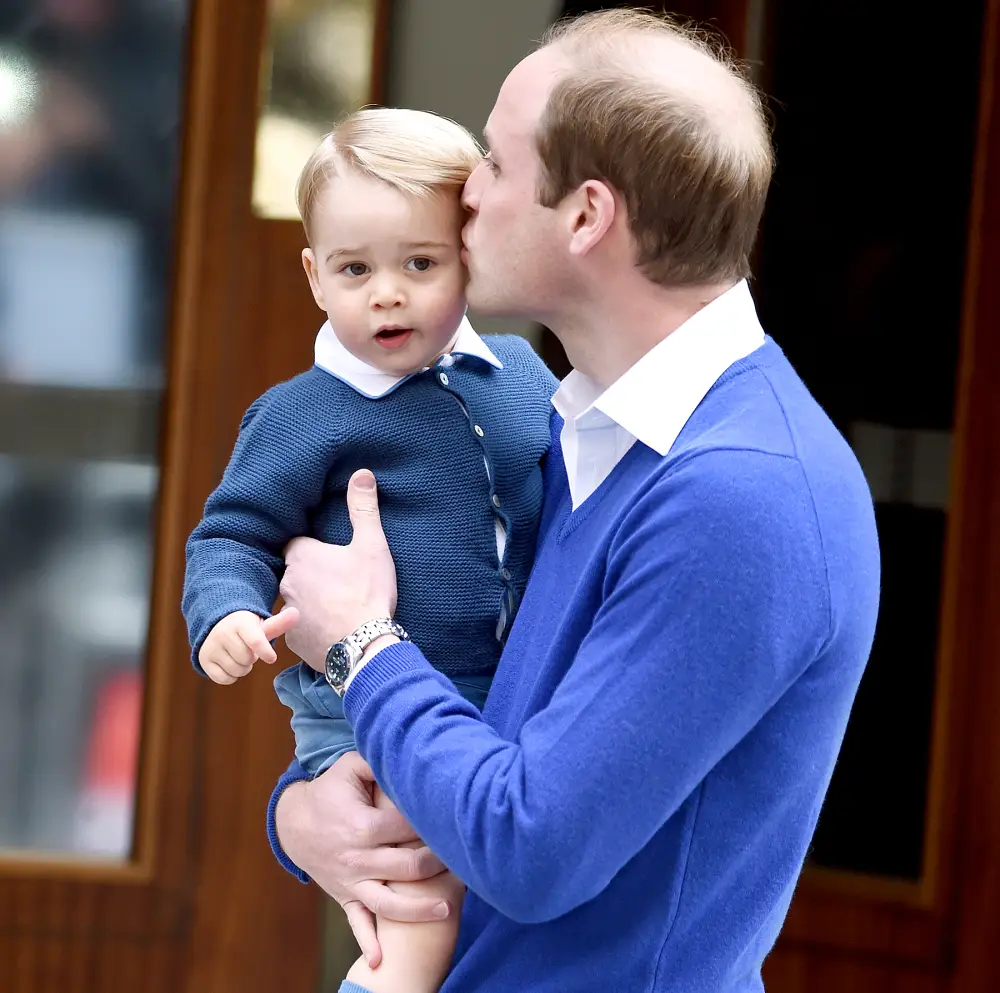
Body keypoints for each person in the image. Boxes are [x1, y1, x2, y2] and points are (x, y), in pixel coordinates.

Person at [270, 10, 881, 993]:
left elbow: (530, 845)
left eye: (498, 165)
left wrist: (358, 647)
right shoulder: (574, 432)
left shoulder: (744, 496)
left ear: (587, 215)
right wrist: (306, 812)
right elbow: (465, 728)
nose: (464, 190)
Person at [181, 108, 557, 993]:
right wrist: (228, 613)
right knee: (419, 919)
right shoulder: (302, 414)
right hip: (362, 710)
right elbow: (232, 531)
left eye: (419, 264)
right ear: (315, 277)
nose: (386, 292)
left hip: (503, 696)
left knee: (485, 903)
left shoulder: (522, 377)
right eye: (355, 269)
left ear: (469, 253)